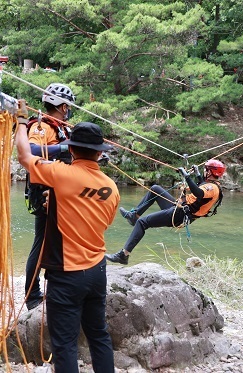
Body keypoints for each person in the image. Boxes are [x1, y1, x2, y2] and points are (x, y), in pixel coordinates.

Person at [16, 112, 120, 373]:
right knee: (99, 335)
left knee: (64, 344)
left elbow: (24, 156)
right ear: (99, 153)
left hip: (67, 276)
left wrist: (19, 122)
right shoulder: (111, 187)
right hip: (98, 271)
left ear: (71, 149)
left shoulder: (61, 175)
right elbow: (102, 223)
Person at [106, 159, 226, 265]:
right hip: (179, 208)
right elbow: (202, 186)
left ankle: (124, 255)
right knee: (155, 189)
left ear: (210, 172)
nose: (204, 171)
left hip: (180, 215)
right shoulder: (211, 185)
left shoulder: (213, 188)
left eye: (205, 170)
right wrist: (198, 174)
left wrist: (187, 177)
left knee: (142, 223)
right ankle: (134, 215)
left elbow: (199, 193)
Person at [23, 83, 75, 310]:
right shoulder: (42, 126)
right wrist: (64, 149)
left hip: (58, 189)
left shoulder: (59, 127)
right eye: (69, 107)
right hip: (45, 191)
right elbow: (31, 150)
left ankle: (52, 288)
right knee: (42, 242)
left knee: (56, 240)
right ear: (63, 106)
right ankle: (32, 295)